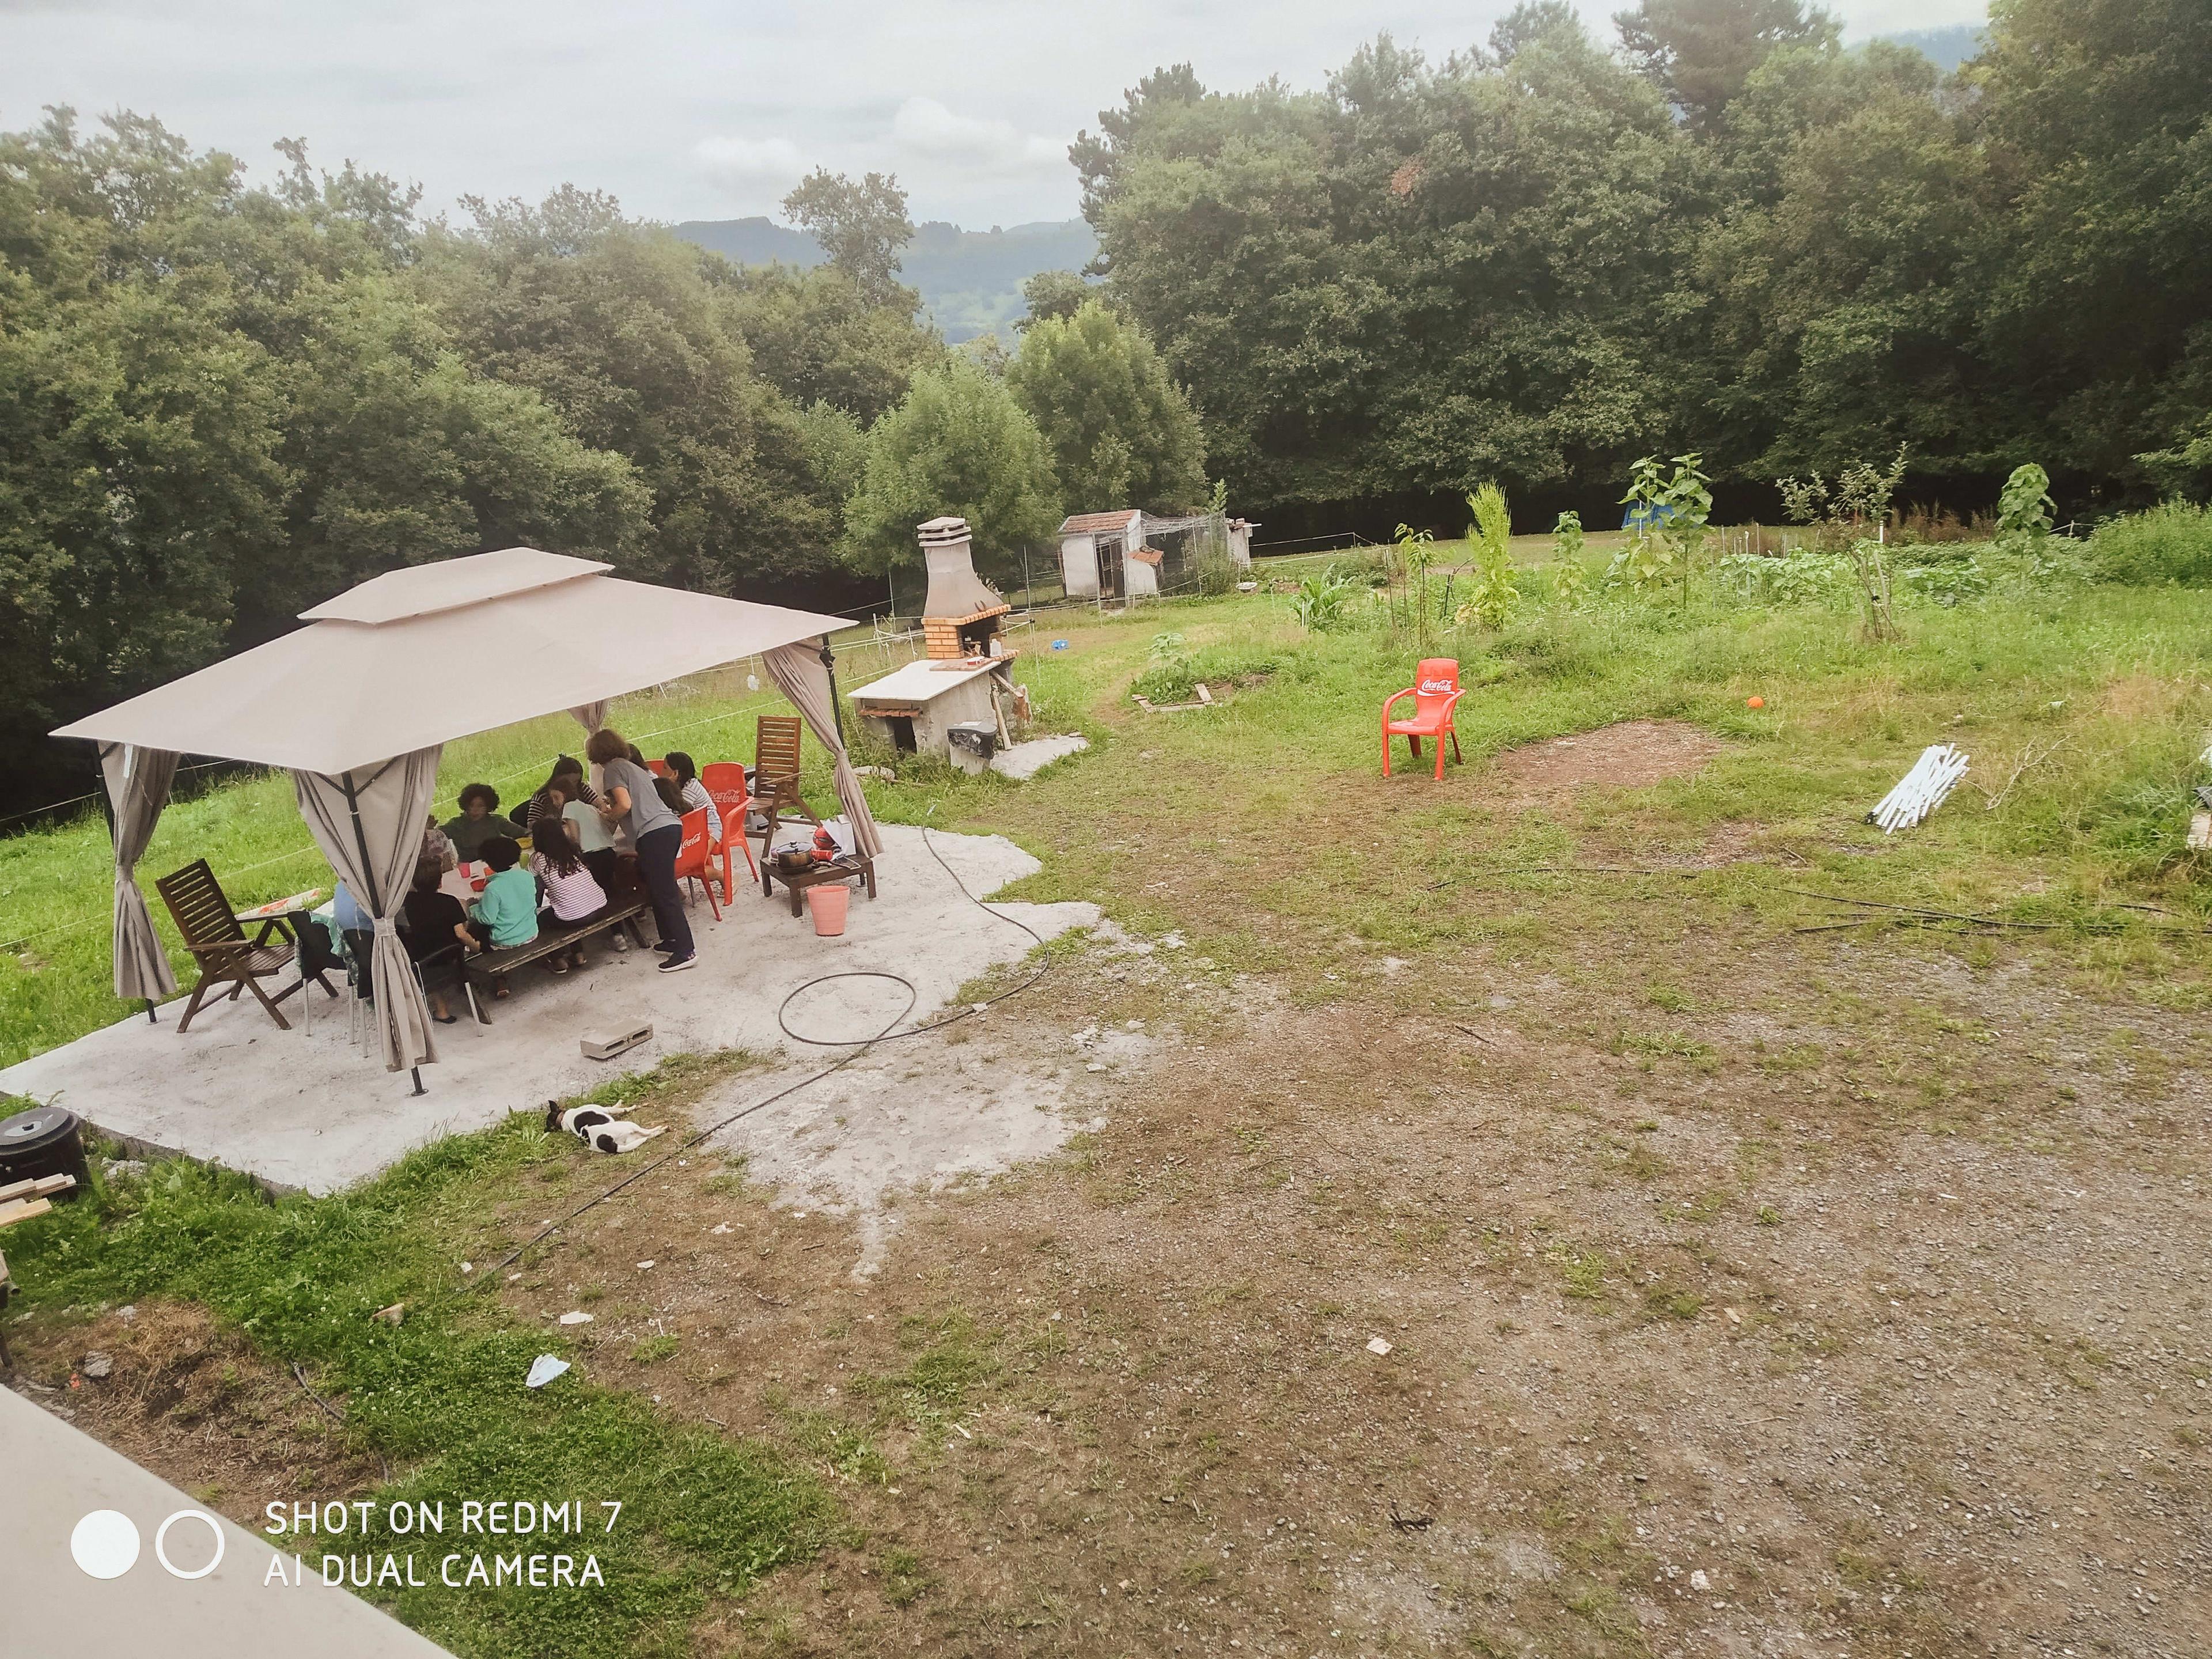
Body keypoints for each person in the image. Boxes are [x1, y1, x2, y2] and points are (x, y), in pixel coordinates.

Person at [587, 725, 694, 972]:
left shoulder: (612, 770)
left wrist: (607, 816)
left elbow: (624, 805)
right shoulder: (633, 767)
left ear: (595, 753)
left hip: (654, 833)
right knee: (654, 885)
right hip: (668, 827)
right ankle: (671, 939)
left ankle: (686, 950)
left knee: (665, 892)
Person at [529, 797, 607, 975]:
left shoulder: (538, 858)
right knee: (567, 907)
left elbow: (531, 880)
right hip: (599, 906)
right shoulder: (573, 850)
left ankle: (558, 959)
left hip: (574, 916)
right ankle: (578, 954)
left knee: (541, 918)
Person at [400, 857, 468, 1023]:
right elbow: (461, 933)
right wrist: (476, 946)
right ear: (440, 883)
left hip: (421, 962)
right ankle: (466, 984)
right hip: (452, 956)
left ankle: (442, 1009)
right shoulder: (449, 902)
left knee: (426, 949)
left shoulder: (407, 902)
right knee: (466, 923)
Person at [462, 836, 538, 979]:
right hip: (531, 932)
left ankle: (498, 978)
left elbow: (487, 919)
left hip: (505, 941)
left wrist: (471, 908)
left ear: (490, 863)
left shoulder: (493, 889)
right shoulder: (527, 876)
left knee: (474, 929)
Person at [442, 783, 522, 862]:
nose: (475, 810)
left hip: (496, 863)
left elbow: (521, 832)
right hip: (470, 869)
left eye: (481, 806)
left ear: (488, 807)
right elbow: (437, 836)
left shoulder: (496, 821)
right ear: (465, 805)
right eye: (471, 805)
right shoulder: (455, 825)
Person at [662, 751, 723, 846]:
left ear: (675, 772)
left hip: (710, 826)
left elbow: (677, 811)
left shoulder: (691, 787)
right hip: (692, 826)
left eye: (665, 768)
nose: (661, 772)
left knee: (698, 856)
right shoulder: (677, 786)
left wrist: (667, 784)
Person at [524, 755, 597, 828]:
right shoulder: (541, 796)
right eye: (568, 782)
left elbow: (598, 802)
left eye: (576, 781)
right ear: (558, 778)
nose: (572, 785)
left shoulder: (580, 787)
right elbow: (532, 825)